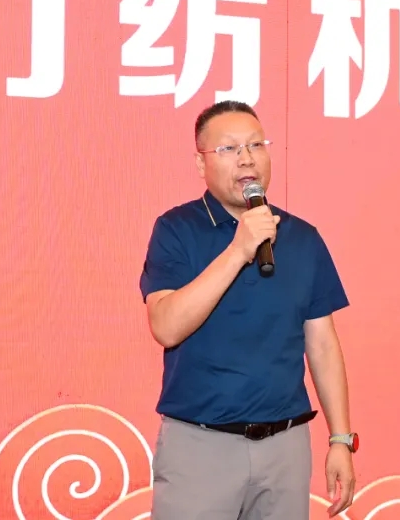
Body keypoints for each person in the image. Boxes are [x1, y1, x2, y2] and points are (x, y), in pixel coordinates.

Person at [138, 100, 357, 520]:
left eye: (256, 145)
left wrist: (340, 439)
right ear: (201, 163)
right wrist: (239, 250)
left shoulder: (302, 238)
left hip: (285, 448)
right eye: (229, 149)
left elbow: (323, 344)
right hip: (200, 447)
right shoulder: (175, 230)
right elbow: (165, 326)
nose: (246, 159)